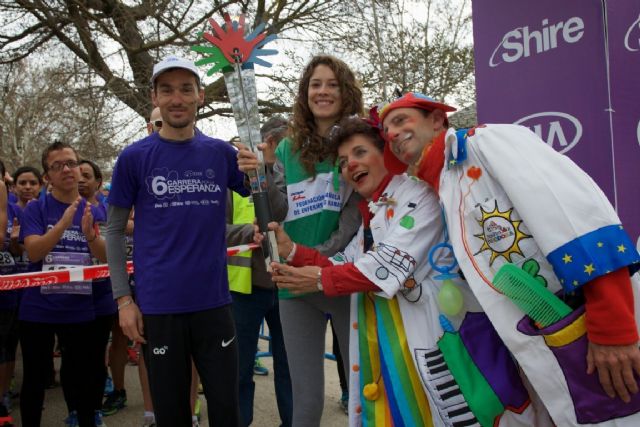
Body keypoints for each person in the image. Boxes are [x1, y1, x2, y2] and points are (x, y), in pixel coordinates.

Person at [266, 116, 547, 426]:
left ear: (385, 153)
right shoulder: (369, 213)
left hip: (453, 340)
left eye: (360, 153)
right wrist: (292, 250)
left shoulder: (418, 196)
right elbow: (345, 265)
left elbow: (382, 266)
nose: (350, 165)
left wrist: (319, 280)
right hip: (403, 344)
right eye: (343, 161)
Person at [379, 92, 640, 426]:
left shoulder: (487, 144)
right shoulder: (442, 188)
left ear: (436, 120)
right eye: (387, 131)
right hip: (542, 355)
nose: (393, 134)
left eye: (401, 120)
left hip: (592, 340)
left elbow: (578, 220)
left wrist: (613, 327)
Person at [106, 55, 248, 427]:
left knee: (226, 413)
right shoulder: (134, 158)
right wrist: (124, 300)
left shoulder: (221, 154)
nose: (177, 98)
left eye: (186, 89)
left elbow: (266, 198)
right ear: (155, 96)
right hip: (159, 308)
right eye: (167, 90)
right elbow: (114, 230)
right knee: (171, 416)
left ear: (200, 96)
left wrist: (263, 166)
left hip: (214, 304)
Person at [237, 54, 363, 426]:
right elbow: (278, 212)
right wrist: (258, 175)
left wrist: (316, 262)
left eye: (332, 84)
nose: (322, 92)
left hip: (343, 280)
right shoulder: (288, 148)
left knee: (361, 392)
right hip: (293, 284)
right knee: (304, 402)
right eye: (315, 84)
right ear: (305, 93)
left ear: (346, 92)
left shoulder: (358, 143)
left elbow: (353, 221)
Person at [19, 141, 107, 427]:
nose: (68, 170)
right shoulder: (37, 208)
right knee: (35, 376)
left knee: (81, 375)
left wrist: (91, 236)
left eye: (71, 163)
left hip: (80, 305)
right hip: (38, 307)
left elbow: (107, 257)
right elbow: (33, 252)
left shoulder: (93, 209)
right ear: (47, 176)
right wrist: (61, 224)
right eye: (58, 166)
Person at [227, 118, 292, 427]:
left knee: (290, 366)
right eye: (277, 146)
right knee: (239, 370)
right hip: (244, 291)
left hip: (287, 285)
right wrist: (245, 233)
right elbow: (212, 228)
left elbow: (286, 215)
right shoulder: (230, 181)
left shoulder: (290, 175)